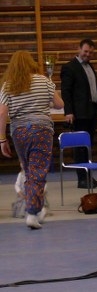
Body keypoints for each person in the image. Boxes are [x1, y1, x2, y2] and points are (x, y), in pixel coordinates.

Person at [0, 51, 64, 229]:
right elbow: (60, 104)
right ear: (31, 63)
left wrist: (2, 139)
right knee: (38, 172)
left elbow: (2, 113)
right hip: (41, 129)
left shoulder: (8, 85)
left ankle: (38, 208)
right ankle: (32, 212)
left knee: (29, 172)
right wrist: (47, 98)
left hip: (19, 132)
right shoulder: (44, 81)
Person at [60, 38, 97, 188]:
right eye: (85, 51)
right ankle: (82, 178)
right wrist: (68, 112)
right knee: (80, 147)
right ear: (79, 49)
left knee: (88, 146)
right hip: (79, 113)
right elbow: (66, 92)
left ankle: (89, 176)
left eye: (91, 52)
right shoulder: (69, 67)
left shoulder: (90, 66)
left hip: (91, 111)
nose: (88, 54)